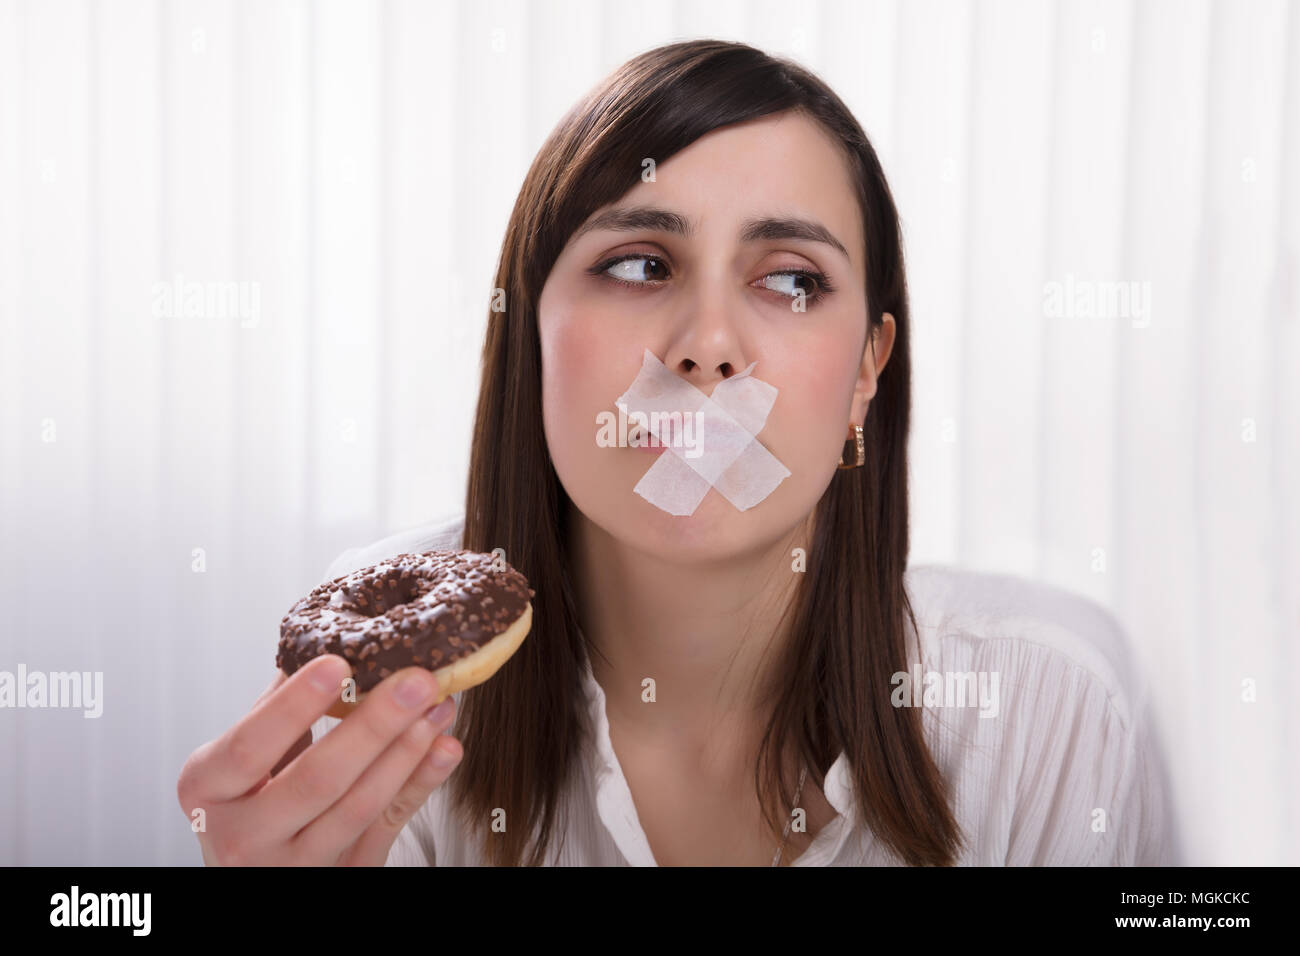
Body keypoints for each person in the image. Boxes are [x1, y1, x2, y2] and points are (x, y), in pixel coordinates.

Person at [177, 38, 1182, 867]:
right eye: (639, 263)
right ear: (531, 331)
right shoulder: (400, 683)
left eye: (790, 280)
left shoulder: (1050, 706)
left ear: (867, 370)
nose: (706, 345)